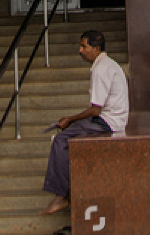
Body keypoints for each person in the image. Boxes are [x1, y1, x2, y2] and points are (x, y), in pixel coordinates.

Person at [42, 29, 128, 215]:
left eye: (84, 46)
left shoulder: (101, 69)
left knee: (60, 141)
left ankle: (61, 197)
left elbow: (96, 109)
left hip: (107, 122)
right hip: (111, 119)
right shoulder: (108, 64)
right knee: (68, 133)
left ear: (96, 48)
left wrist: (70, 118)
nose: (80, 50)